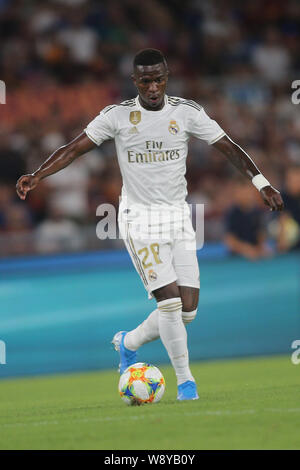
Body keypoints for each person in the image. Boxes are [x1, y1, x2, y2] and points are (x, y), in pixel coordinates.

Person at [16, 48, 284, 401]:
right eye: (146, 80)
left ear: (167, 77)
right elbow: (75, 147)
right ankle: (186, 384)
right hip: (139, 220)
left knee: (187, 311)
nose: (153, 86)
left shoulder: (186, 113)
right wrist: (38, 175)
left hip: (178, 218)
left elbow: (229, 147)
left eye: (158, 79)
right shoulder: (118, 116)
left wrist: (260, 182)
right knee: (170, 304)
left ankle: (128, 342)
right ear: (135, 81)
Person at [224, 178, 271, 260]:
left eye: (248, 192)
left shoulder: (257, 212)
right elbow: (230, 241)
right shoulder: (232, 214)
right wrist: (246, 249)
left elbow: (261, 234)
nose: (246, 195)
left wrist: (262, 248)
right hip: (237, 259)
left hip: (256, 258)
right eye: (242, 192)